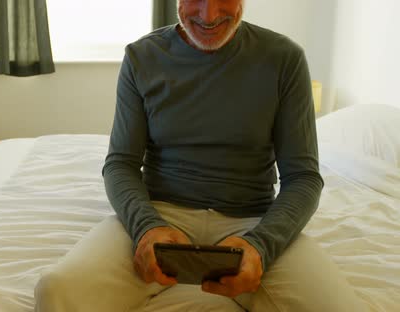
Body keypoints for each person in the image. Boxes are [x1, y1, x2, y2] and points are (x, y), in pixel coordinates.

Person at [35, 0, 366, 311]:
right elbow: (120, 164)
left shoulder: (284, 58)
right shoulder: (142, 57)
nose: (208, 16)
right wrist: (147, 228)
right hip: (161, 214)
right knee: (56, 290)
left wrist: (261, 245)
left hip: (252, 220)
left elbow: (303, 178)